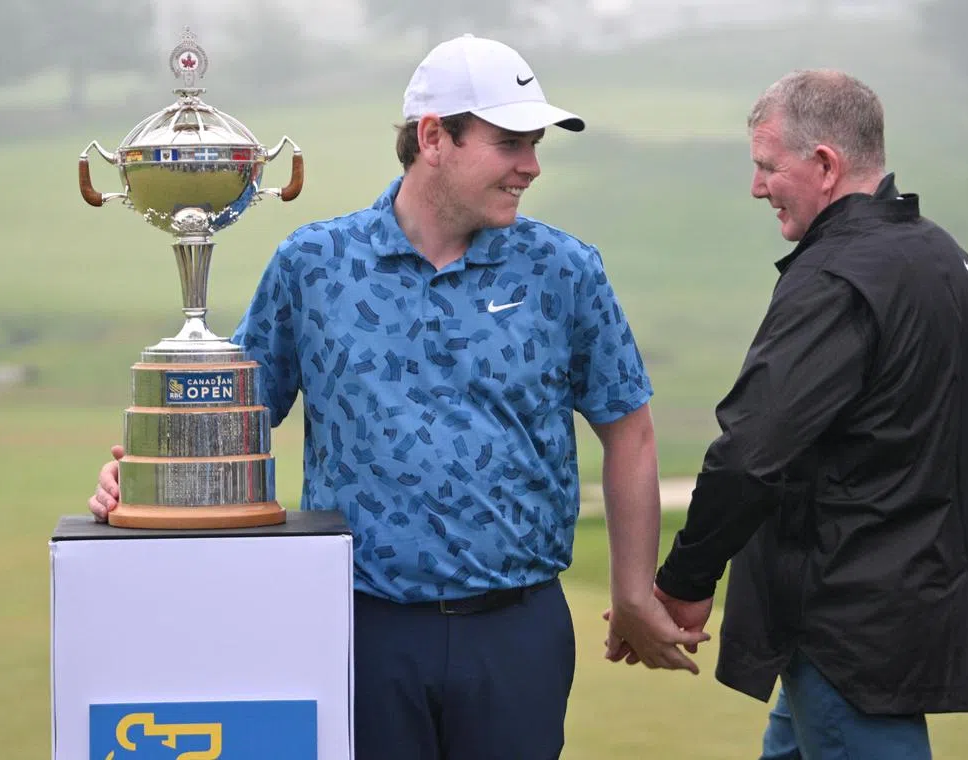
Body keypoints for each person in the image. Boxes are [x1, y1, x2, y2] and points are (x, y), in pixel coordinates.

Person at [89, 34, 707, 760]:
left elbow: (628, 430)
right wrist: (157, 480)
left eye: (535, 144)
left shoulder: (563, 269)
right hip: (358, 628)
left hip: (518, 631)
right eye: (510, 143)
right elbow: (240, 419)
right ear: (434, 136)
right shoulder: (315, 265)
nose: (531, 167)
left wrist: (633, 592)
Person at [613, 70, 968, 759]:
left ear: (825, 164)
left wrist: (684, 584)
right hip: (892, 625)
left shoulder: (834, 278)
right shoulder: (954, 262)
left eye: (767, 166)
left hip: (839, 635)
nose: (756, 186)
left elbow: (750, 454)